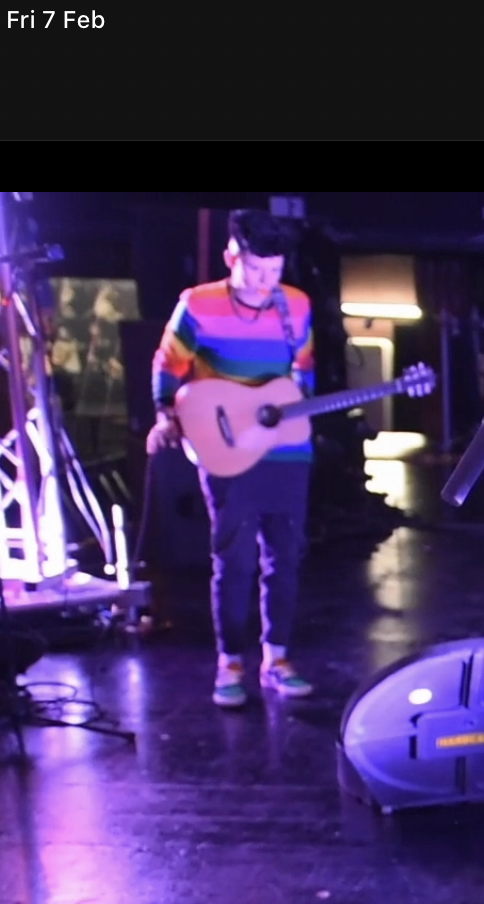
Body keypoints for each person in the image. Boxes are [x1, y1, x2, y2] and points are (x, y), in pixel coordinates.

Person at [149, 209, 317, 709]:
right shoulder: (198, 304)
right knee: (235, 559)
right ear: (231, 257)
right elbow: (169, 363)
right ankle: (230, 663)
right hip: (224, 447)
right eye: (256, 270)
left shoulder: (297, 306)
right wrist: (166, 414)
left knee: (284, 558)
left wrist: (294, 406)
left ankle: (277, 659)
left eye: (275, 271)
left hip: (286, 451)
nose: (267, 282)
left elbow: (302, 373)